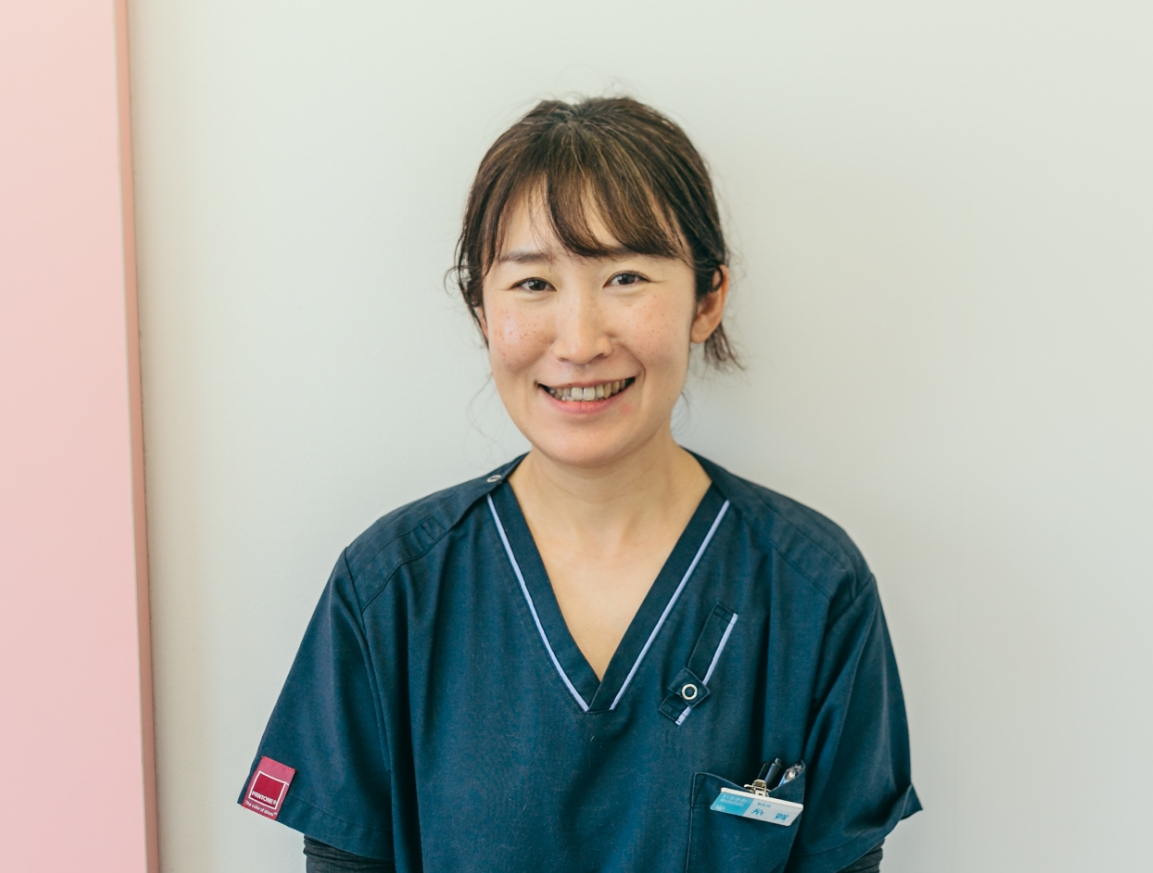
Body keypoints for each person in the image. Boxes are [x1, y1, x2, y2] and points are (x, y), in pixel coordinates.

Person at [239, 96, 920, 873]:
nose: (579, 340)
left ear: (706, 300)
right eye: (533, 283)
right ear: (481, 309)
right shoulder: (391, 588)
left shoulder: (812, 588)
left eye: (625, 277)